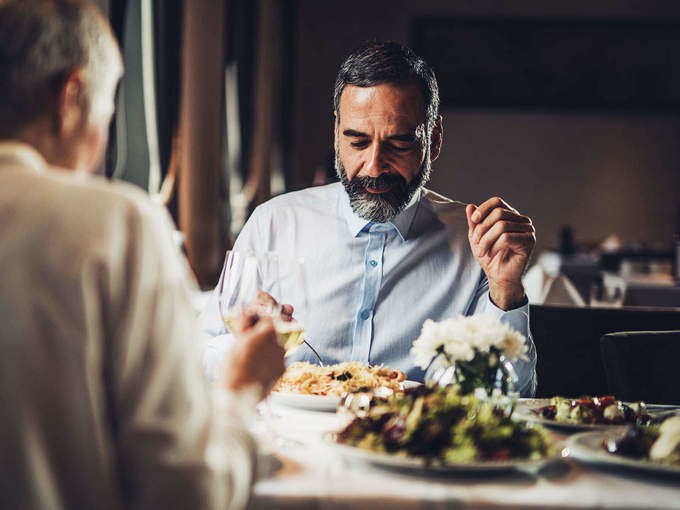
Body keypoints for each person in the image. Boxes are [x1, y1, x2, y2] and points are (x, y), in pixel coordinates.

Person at [0, 1, 284, 509]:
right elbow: (184, 490)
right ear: (71, 97)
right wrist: (242, 389)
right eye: (108, 111)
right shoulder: (115, 223)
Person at [203, 41, 537, 395]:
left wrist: (506, 291)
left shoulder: (477, 245)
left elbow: (510, 393)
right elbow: (202, 356)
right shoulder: (273, 223)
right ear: (336, 134)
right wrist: (247, 344)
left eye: (398, 144)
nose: (374, 166)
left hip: (409, 444)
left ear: (434, 140)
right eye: (358, 142)